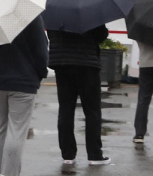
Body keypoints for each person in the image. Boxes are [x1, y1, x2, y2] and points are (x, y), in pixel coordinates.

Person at [0, 15, 49, 176]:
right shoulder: (32, 17)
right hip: (24, 82)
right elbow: (41, 52)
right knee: (17, 131)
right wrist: (39, 75)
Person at [47, 23, 110, 166]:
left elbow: (51, 35)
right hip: (87, 64)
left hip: (62, 63)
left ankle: (68, 154)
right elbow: (100, 36)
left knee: (65, 109)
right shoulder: (90, 10)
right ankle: (94, 155)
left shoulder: (54, 10)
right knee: (92, 111)